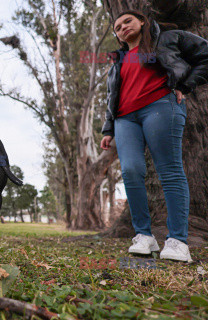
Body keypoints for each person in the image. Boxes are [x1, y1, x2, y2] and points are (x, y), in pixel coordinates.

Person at [100, 10, 208, 262]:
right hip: (125, 119)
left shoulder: (168, 39)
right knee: (131, 171)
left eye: (128, 21)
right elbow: (111, 97)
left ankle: (178, 240)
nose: (123, 27)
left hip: (160, 106)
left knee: (169, 170)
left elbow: (205, 55)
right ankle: (144, 237)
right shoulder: (119, 61)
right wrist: (107, 129)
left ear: (142, 22)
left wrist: (185, 86)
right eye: (117, 27)